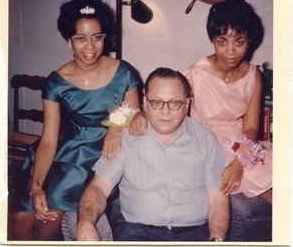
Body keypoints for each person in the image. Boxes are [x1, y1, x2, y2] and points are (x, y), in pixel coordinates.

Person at [130, 0, 272, 241]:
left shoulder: (254, 74)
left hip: (240, 145)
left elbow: (250, 128)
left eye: (239, 42)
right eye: (221, 42)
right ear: (212, 40)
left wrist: (240, 162)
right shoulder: (196, 74)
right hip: (204, 143)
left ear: (249, 41)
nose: (230, 51)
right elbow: (171, 108)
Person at [8, 0, 141, 241]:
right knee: (21, 220)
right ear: (69, 40)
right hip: (60, 150)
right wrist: (36, 187)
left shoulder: (125, 72)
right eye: (80, 38)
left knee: (49, 217)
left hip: (97, 158)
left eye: (97, 37)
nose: (89, 47)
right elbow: (48, 140)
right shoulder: (56, 82)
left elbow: (135, 112)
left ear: (105, 37)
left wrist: (115, 126)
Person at [77, 67, 230, 242]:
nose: (165, 111)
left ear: (187, 104)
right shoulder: (125, 139)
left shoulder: (205, 140)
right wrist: (85, 223)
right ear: (145, 102)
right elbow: (98, 188)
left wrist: (216, 239)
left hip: (195, 234)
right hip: (139, 234)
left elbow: (218, 198)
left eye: (174, 103)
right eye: (157, 102)